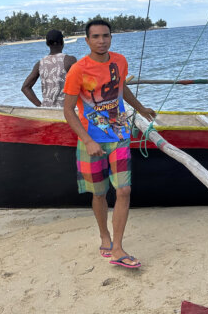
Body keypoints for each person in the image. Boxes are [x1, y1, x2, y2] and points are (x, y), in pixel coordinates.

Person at [63, 19, 155, 269]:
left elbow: (121, 88)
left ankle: (117, 247)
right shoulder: (78, 70)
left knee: (124, 190)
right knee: (99, 193)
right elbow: (68, 110)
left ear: (111, 38)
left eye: (106, 36)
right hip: (91, 142)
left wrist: (141, 108)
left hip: (119, 135)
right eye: (96, 37)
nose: (101, 40)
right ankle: (104, 236)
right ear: (87, 40)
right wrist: (88, 140)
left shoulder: (120, 61)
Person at [21, 30, 77, 107]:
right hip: (66, 110)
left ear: (47, 44)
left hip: (47, 110)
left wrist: (40, 106)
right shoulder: (70, 60)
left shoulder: (40, 63)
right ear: (62, 42)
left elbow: (25, 87)